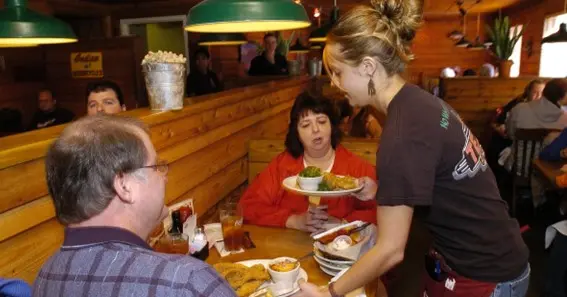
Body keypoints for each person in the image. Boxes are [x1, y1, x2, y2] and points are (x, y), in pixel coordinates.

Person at [297, 0, 530, 296]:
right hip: (496, 254)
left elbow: (391, 251)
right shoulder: (418, 102)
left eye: (338, 72)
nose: (335, 83)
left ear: (368, 67)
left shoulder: (400, 134)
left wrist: (329, 292)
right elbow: (438, 177)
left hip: (485, 272)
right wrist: (381, 190)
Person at [33, 115, 235, 297]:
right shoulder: (186, 282)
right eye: (156, 167)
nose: (164, 177)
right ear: (124, 186)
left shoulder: (44, 276)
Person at [238, 92, 377, 234]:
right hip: (289, 249)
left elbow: (379, 213)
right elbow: (248, 206)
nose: (316, 129)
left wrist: (342, 224)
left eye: (322, 122)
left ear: (332, 126)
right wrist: (293, 220)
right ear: (296, 133)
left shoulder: (357, 167)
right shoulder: (282, 165)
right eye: (305, 125)